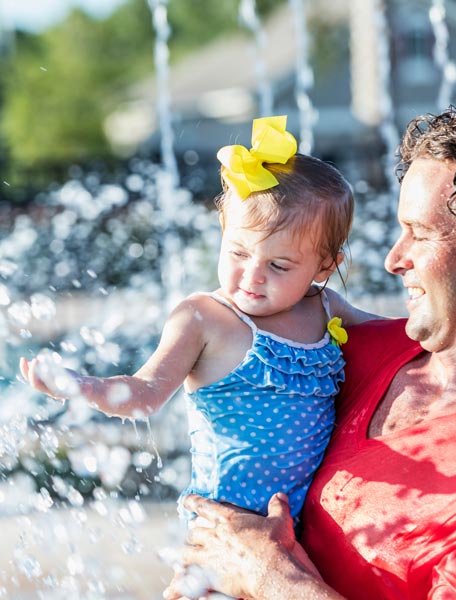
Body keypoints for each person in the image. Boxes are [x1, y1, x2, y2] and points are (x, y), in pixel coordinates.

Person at [163, 106, 456, 600]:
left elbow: (263, 568)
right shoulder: (337, 351)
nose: (394, 258)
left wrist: (272, 579)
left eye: (421, 233)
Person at [19, 116, 379, 598]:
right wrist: (84, 386)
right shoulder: (204, 318)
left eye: (278, 265)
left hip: (305, 529)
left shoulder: (324, 306)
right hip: (223, 534)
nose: (251, 276)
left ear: (325, 265)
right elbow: (145, 395)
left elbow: (391, 334)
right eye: (236, 252)